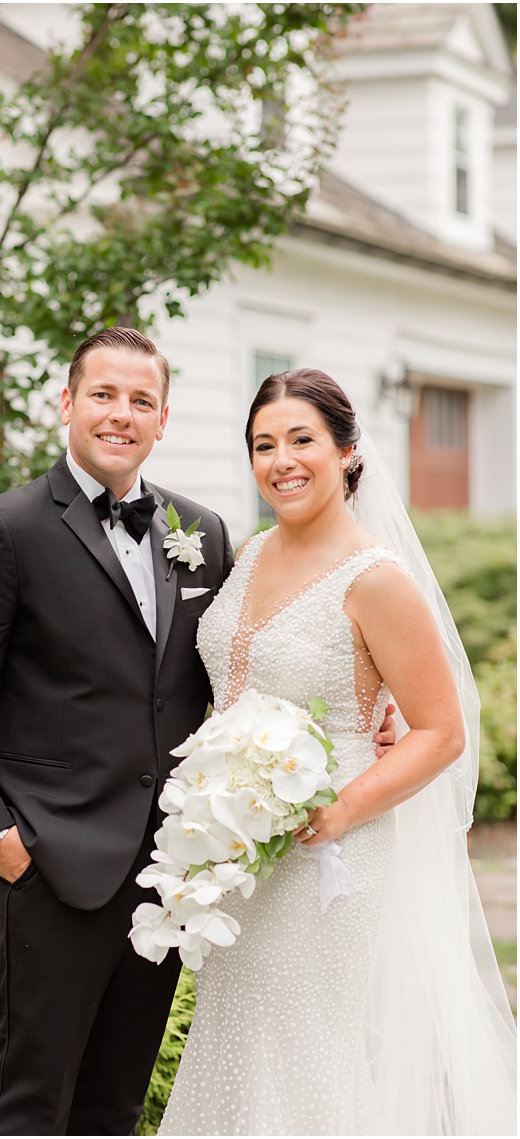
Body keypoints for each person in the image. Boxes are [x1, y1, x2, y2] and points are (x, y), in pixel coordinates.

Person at [157, 369, 516, 1135]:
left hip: (331, 853)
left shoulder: (375, 578)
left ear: (348, 451)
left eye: (301, 440)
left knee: (306, 1044)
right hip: (237, 846)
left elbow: (441, 730)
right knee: (237, 1032)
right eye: (263, 444)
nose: (281, 459)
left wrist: (340, 808)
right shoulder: (247, 555)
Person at [0, 327, 236, 1134]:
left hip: (167, 870)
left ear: (163, 419)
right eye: (103, 394)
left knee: (115, 1102)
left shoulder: (202, 534)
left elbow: (230, 677)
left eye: (141, 400)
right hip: (51, 865)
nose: (120, 414)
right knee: (30, 1098)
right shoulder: (6, 529)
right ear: (67, 403)